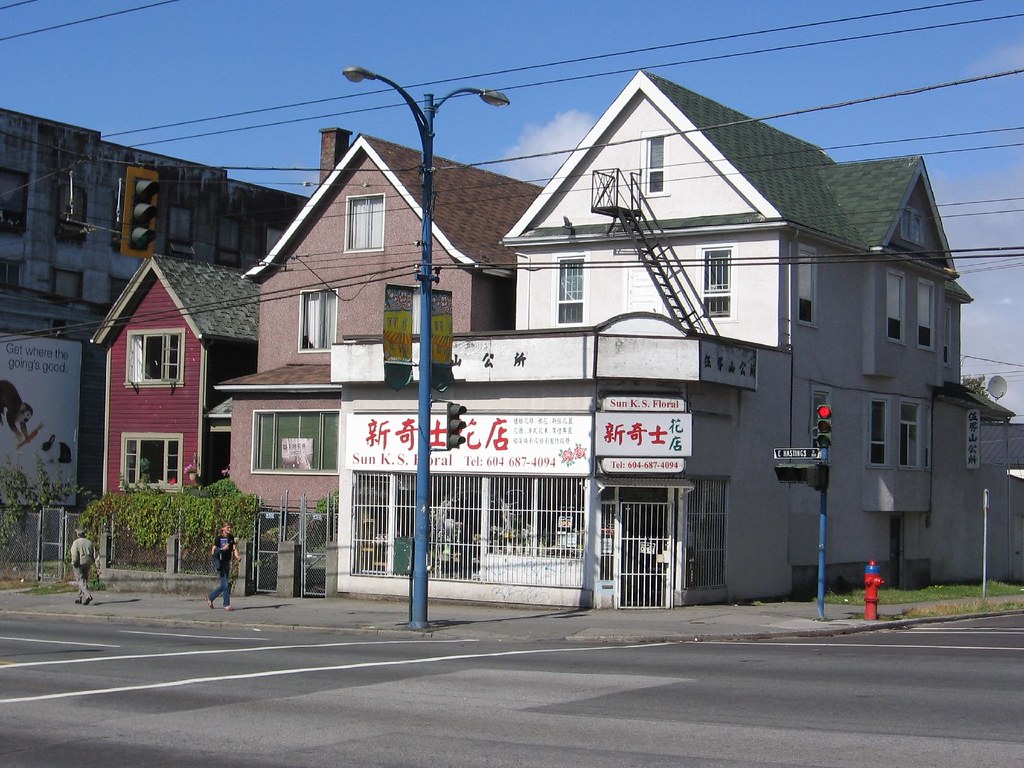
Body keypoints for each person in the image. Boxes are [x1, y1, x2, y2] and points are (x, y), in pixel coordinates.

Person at [208, 522, 240, 611]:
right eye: (228, 528)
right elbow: (213, 550)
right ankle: (226, 604)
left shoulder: (231, 537)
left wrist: (237, 556)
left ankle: (210, 598)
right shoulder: (218, 538)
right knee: (225, 584)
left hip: (227, 562)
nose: (229, 529)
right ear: (223, 529)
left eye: (230, 528)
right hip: (220, 563)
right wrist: (222, 549)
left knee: (224, 584)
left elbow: (234, 548)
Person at [69, 527, 97, 605]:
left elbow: (74, 554)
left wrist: (73, 562)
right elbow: (94, 554)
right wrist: (96, 565)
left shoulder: (76, 542)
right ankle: (79, 597)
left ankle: (88, 595)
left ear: (78, 534)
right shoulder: (89, 542)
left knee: (80, 580)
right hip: (87, 563)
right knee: (84, 579)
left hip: (79, 563)